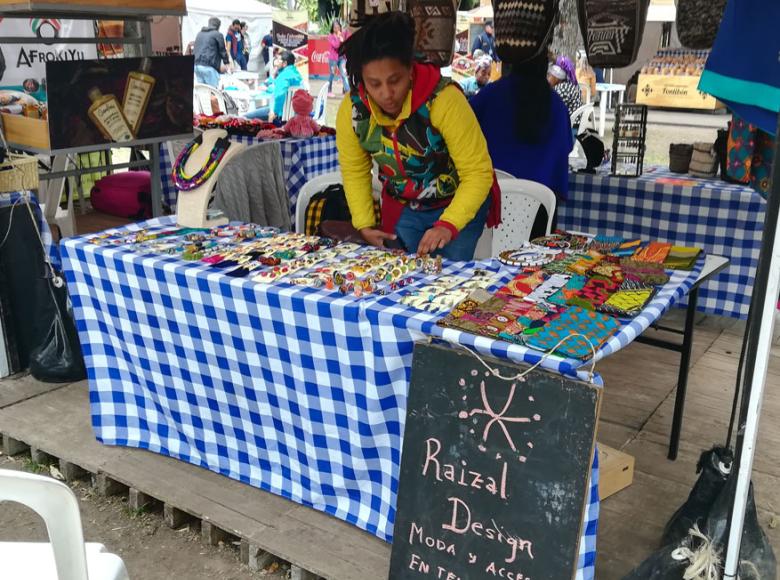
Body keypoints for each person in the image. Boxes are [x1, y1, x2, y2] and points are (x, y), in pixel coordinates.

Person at [336, 12, 495, 260]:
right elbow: (355, 169)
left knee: (448, 282)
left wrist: (448, 224)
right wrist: (364, 224)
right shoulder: (353, 109)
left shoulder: (444, 100)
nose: (386, 93)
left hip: (457, 201)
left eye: (394, 80)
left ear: (410, 69)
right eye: (374, 84)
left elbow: (477, 172)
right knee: (405, 281)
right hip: (404, 207)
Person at [470, 53, 573, 239]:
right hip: (540, 210)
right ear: (544, 68)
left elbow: (462, 137)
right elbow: (565, 147)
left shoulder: (489, 95)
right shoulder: (556, 105)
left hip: (489, 207)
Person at [245, 50, 302, 122]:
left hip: (280, 113)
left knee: (244, 117)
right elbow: (279, 87)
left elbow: (279, 95)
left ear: (284, 63)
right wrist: (272, 76)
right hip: (292, 112)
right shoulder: (295, 74)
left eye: (278, 60)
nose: (275, 62)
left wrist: (274, 112)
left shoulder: (284, 76)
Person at [194, 17, 229, 88]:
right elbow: (222, 50)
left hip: (197, 66)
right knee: (212, 92)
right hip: (209, 66)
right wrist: (227, 63)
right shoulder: (218, 34)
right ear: (218, 26)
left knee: (202, 91)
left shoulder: (199, 34)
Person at [327, 20, 350, 97]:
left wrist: (342, 39)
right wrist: (338, 37)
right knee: (332, 74)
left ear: (340, 27)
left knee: (344, 74)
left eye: (338, 27)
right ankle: (329, 90)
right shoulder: (330, 36)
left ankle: (347, 91)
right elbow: (336, 46)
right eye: (335, 28)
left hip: (341, 58)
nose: (337, 29)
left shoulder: (342, 34)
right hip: (333, 59)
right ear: (332, 29)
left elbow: (345, 44)